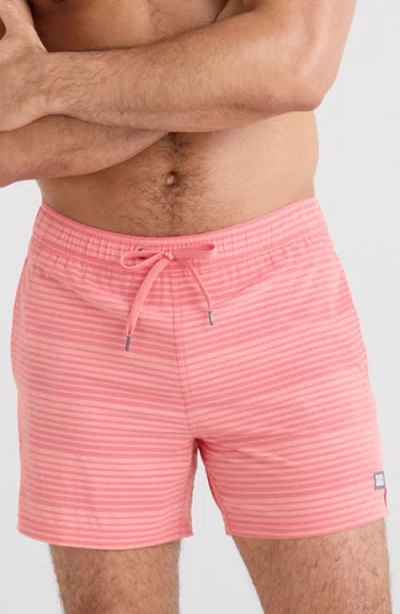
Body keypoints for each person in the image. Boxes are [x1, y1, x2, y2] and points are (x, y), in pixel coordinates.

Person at [0, 0, 392, 612]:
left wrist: (43, 83)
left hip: (277, 302)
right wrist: (224, 77)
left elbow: (297, 64)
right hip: (86, 317)